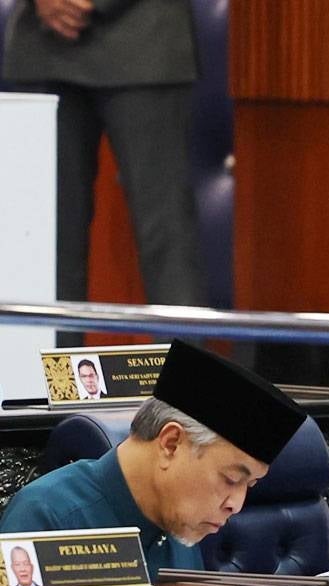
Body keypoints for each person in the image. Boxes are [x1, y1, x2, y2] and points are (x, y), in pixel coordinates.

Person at [0, 340, 307, 579]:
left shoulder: (180, 525)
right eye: (231, 479)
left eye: (250, 485)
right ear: (171, 444)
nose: (236, 504)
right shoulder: (46, 519)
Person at [2, 0, 206, 345]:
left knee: (166, 237)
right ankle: (43, 392)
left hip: (147, 34)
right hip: (40, 44)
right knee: (42, 242)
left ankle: (185, 393)